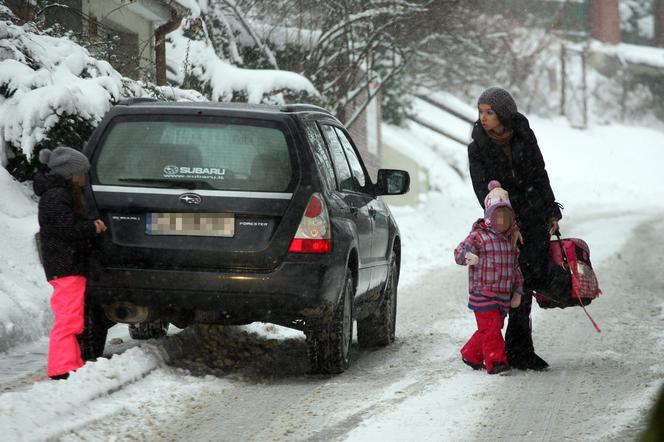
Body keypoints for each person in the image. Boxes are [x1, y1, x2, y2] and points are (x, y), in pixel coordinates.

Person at [467, 87, 563, 371]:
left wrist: (551, 211)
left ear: (503, 114)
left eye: (489, 112)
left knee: (527, 284)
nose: (483, 118)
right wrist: (510, 224)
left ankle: (520, 350)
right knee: (505, 290)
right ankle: (486, 350)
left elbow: (539, 173)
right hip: (504, 224)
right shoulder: (478, 147)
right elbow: (482, 190)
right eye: (481, 112)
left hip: (533, 218)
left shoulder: (524, 135)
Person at [34, 146, 107, 380]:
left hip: (67, 264)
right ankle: (60, 368)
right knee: (68, 320)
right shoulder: (57, 196)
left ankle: (70, 363)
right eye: (82, 173)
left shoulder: (58, 194)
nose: (84, 177)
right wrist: (92, 227)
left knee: (72, 319)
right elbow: (66, 229)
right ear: (70, 174)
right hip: (65, 265)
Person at [454, 181, 524, 375]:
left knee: (491, 328)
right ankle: (496, 362)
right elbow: (459, 252)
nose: (503, 221)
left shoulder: (511, 241)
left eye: (507, 217)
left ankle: (471, 354)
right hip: (482, 292)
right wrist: (468, 256)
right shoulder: (479, 236)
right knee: (492, 329)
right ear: (489, 217)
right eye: (498, 216)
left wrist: (518, 291)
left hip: (502, 296)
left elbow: (516, 269)